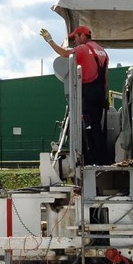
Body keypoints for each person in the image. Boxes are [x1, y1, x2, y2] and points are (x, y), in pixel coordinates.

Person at [39, 22, 112, 168]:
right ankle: (102, 157)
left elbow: (64, 54)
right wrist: (104, 96)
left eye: (76, 37)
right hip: (99, 93)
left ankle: (94, 159)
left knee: (89, 127)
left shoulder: (83, 48)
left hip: (88, 91)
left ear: (83, 36)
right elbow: (105, 77)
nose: (74, 41)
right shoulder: (102, 51)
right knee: (97, 126)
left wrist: (50, 41)